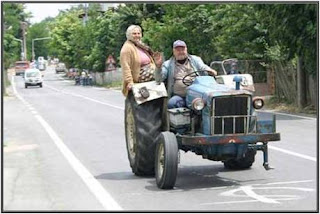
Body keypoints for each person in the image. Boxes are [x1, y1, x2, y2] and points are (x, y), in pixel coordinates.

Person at [155, 40, 217, 108]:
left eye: (183, 49)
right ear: (174, 51)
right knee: (172, 103)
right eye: (178, 50)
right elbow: (159, 79)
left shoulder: (195, 60)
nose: (181, 52)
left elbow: (203, 67)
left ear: (186, 49)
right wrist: (158, 67)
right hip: (180, 97)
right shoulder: (168, 64)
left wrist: (210, 70)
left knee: (212, 101)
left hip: (197, 96)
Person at [120, 25, 160, 97]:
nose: (137, 35)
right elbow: (126, 67)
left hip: (150, 68)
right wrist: (130, 82)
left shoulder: (140, 45)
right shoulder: (127, 48)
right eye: (134, 34)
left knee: (164, 71)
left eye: (138, 33)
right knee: (158, 73)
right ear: (129, 35)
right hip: (140, 74)